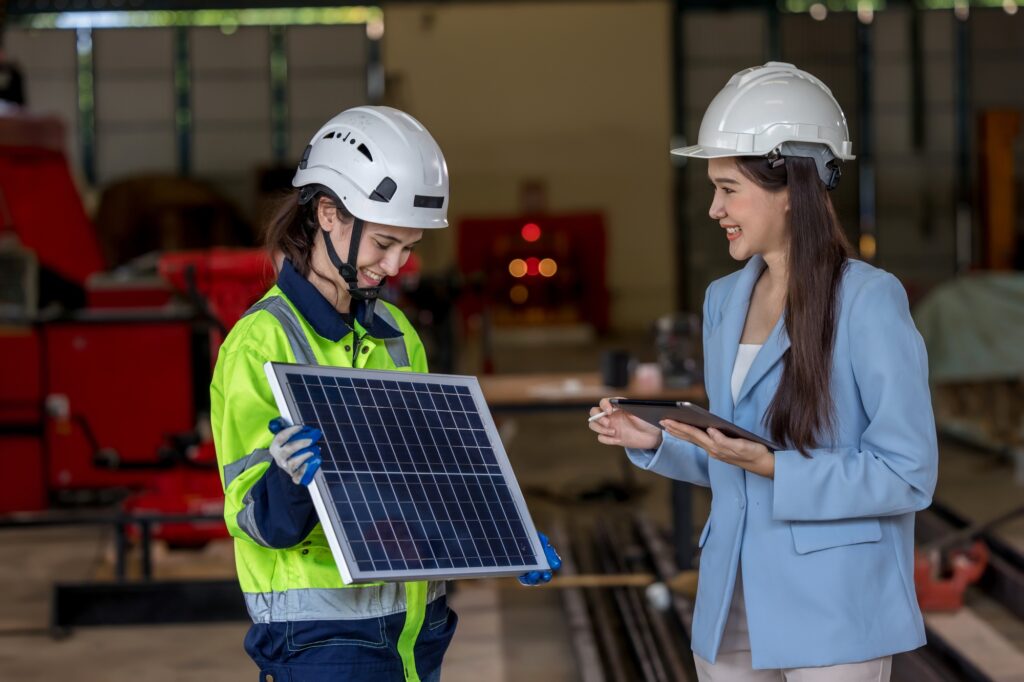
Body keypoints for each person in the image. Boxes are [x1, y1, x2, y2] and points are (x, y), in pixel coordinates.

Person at [589, 62, 937, 681]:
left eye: (728, 188)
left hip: (834, 609)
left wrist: (777, 467)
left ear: (791, 185)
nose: (713, 207)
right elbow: (735, 456)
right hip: (731, 603)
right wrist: (657, 442)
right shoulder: (725, 299)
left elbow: (906, 473)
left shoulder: (867, 300)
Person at [211, 106, 560, 682]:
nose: (395, 265)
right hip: (322, 639)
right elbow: (255, 519)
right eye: (384, 243)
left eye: (409, 246)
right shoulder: (259, 343)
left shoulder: (396, 334)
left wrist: (507, 533)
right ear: (328, 214)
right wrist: (286, 479)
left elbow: (428, 479)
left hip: (415, 629)